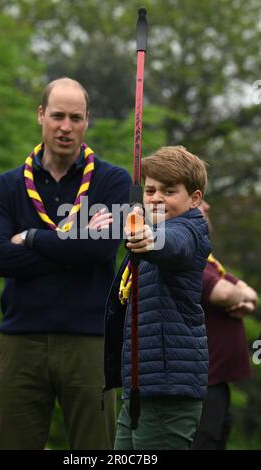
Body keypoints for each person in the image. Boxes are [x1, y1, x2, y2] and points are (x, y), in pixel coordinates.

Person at [0, 77, 131, 450]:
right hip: (20, 339)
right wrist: (75, 245)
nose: (66, 127)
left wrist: (31, 238)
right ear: (41, 115)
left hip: (89, 341)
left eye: (76, 118)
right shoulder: (7, 185)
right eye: (58, 116)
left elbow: (101, 251)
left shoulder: (113, 181)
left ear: (87, 121)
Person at [104, 146, 211, 450]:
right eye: (150, 190)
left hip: (169, 391)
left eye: (169, 190)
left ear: (195, 198)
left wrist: (150, 239)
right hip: (140, 387)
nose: (156, 197)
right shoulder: (151, 226)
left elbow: (174, 245)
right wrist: (143, 229)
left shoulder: (189, 230)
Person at [191, 200, 258, 450]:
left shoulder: (207, 259)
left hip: (216, 381)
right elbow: (222, 294)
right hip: (199, 382)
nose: (207, 206)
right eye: (199, 202)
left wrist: (243, 301)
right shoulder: (185, 256)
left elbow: (248, 293)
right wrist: (238, 298)